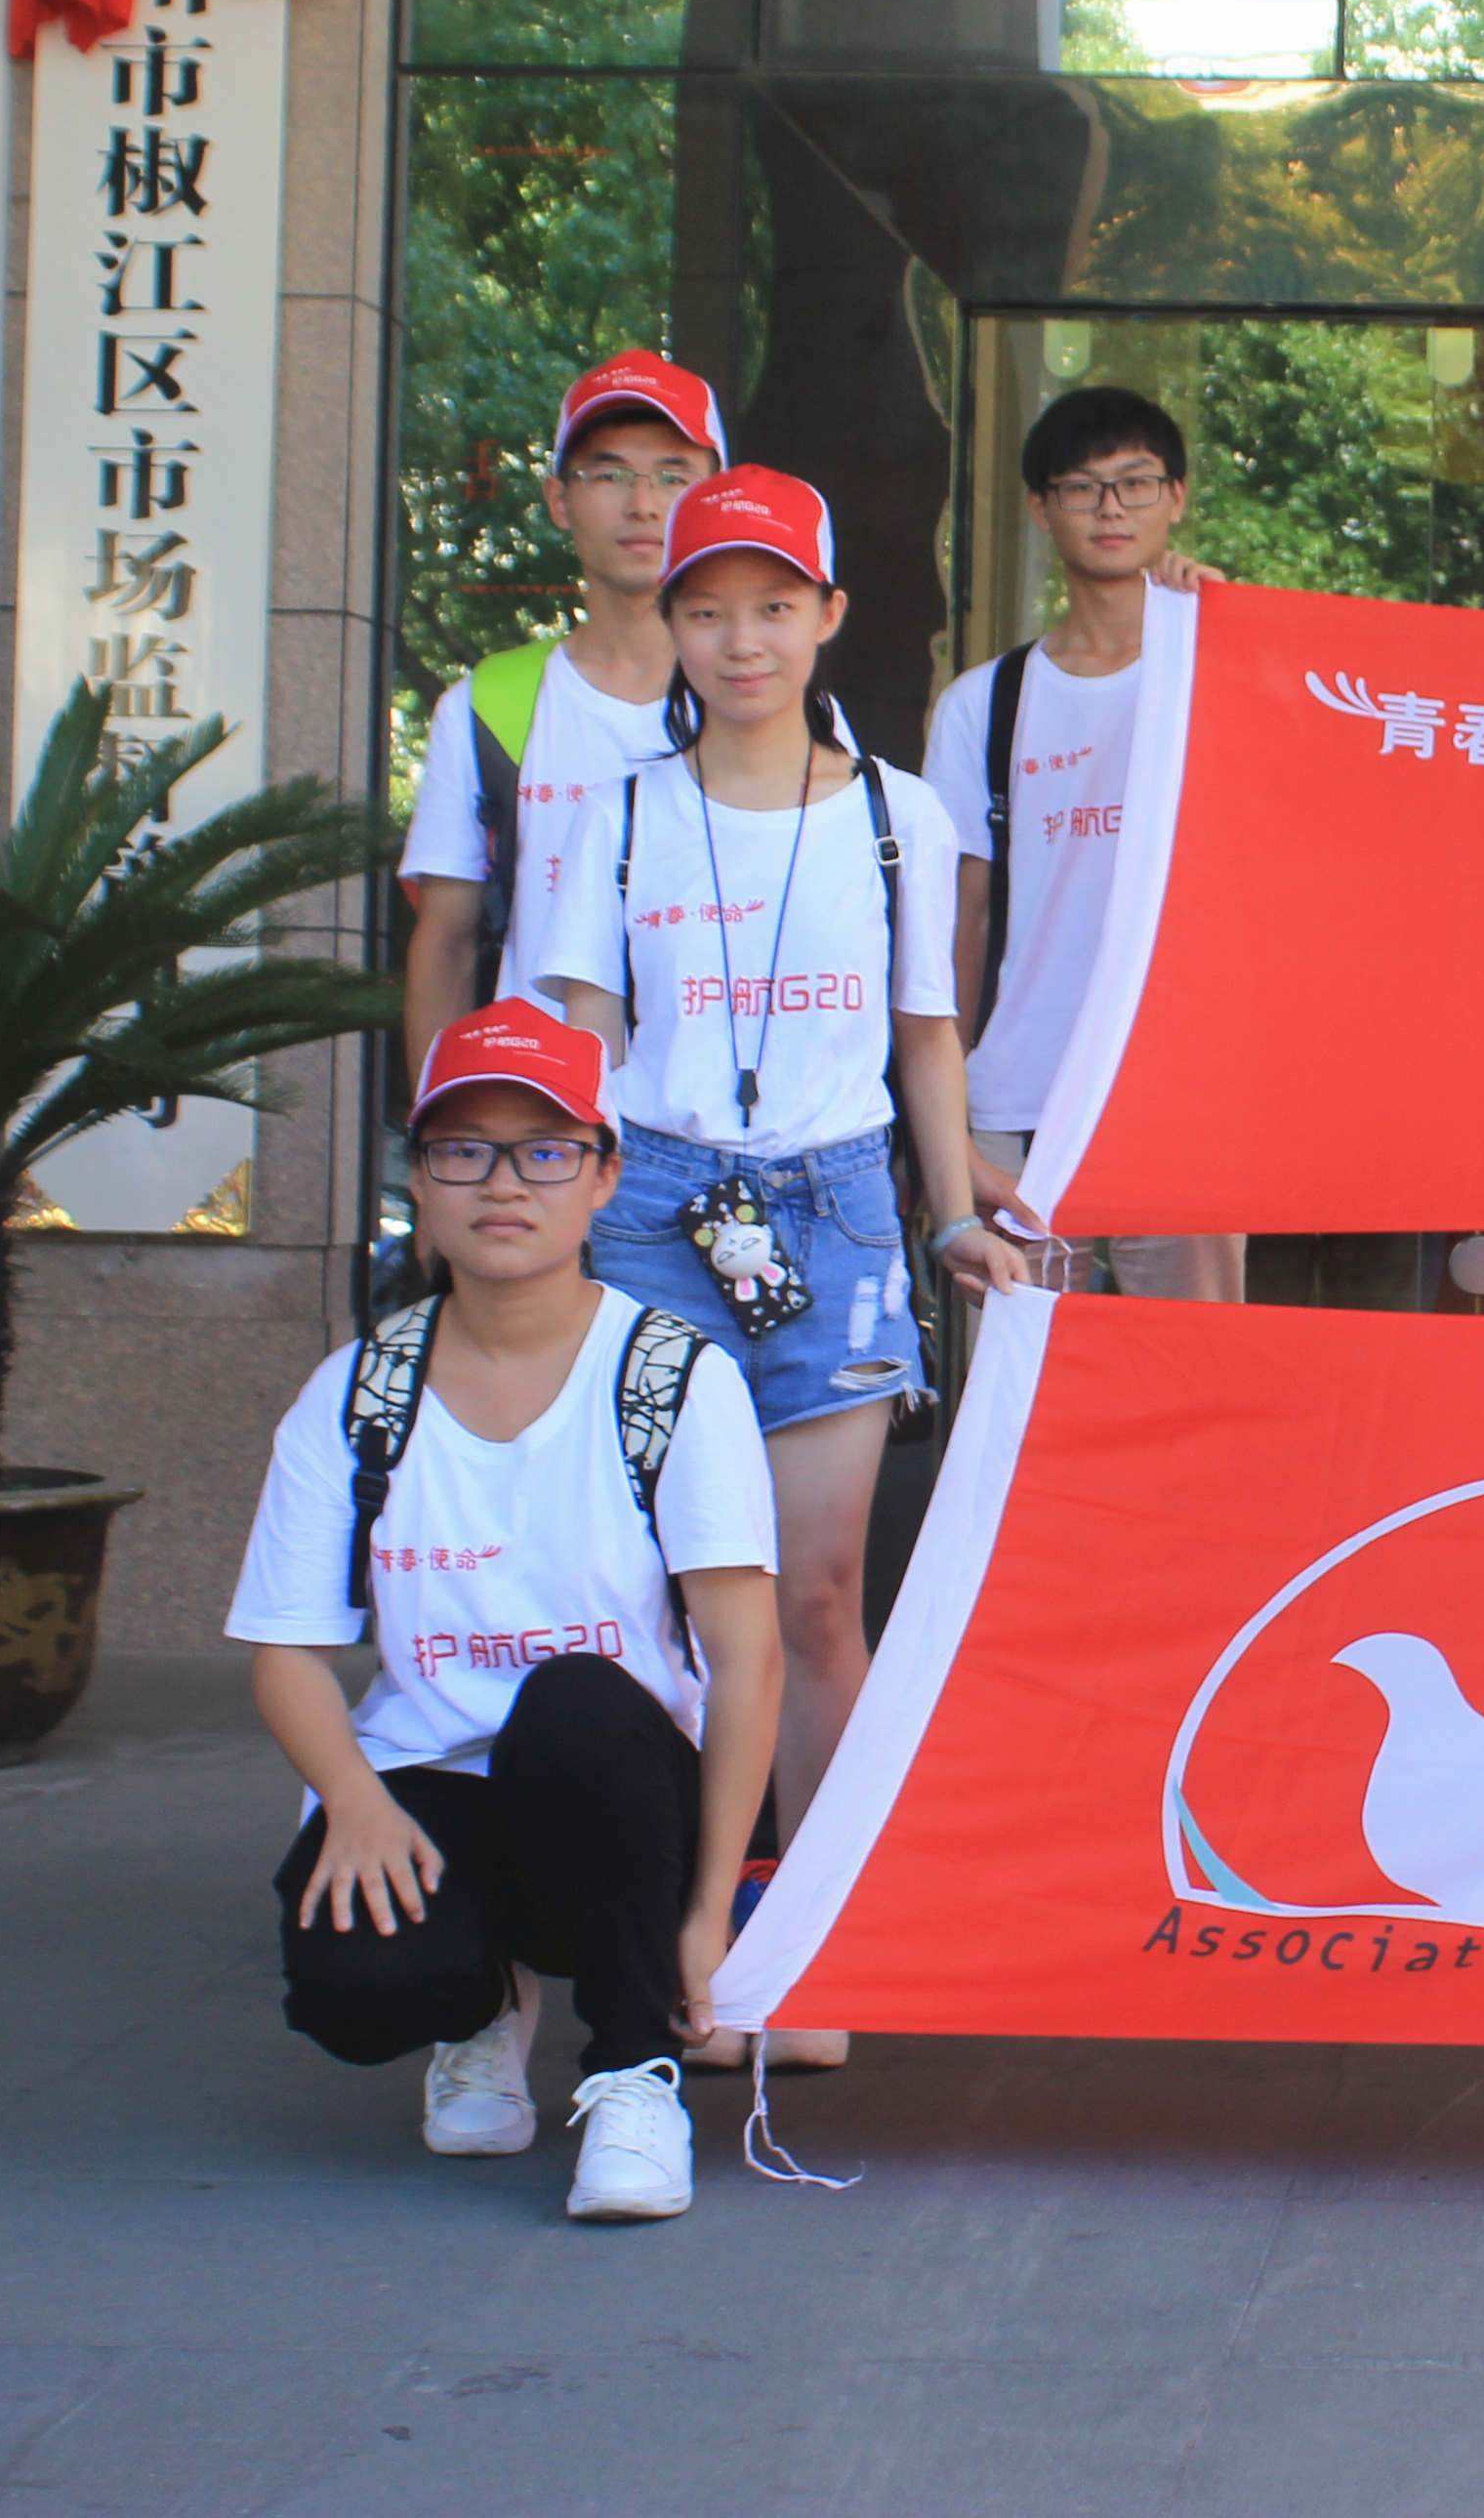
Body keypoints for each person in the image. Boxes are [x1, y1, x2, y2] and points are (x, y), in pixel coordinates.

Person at [532, 464, 1029, 2071]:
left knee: (815, 1594)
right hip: (646, 1211)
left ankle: (808, 1948)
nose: (740, 642)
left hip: (836, 1211)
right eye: (706, 611)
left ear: (827, 616)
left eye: (771, 607)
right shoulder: (616, 816)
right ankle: (659, 1944)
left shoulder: (899, 816)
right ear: (670, 624)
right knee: (646, 1594)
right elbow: (579, 1044)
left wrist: (950, 1217)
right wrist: (547, 1227)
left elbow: (925, 1040)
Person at [225, 1000, 784, 2224]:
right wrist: (354, 1802)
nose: (503, 1183)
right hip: (429, 1785)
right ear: (420, 1178)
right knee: (355, 1989)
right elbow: (285, 1652)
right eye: (464, 1150)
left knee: (577, 1702)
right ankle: (477, 2007)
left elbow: (748, 1660)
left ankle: (632, 2076)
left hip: (617, 1793)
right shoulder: (358, 1394)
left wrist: (708, 1914)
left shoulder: (672, 1379)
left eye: (545, 1151)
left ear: (604, 1176)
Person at [930, 386, 1241, 1302]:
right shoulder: (983, 703)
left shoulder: (1224, 674)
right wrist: (941, 1113)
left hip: (1184, 1092)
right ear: (1040, 508)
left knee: (1191, 1368)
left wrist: (1230, 628)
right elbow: (963, 915)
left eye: (1135, 482)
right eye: (1081, 487)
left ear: (1176, 497)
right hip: (1018, 1092)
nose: (1111, 508)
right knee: (1016, 1371)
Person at [395, 351, 726, 1085]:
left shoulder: (770, 701)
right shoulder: (487, 705)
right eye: (609, 474)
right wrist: (441, 1123)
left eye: (673, 476)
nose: (643, 503)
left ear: (713, 499)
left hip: (728, 1119)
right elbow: (447, 942)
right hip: (542, 1113)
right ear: (558, 499)